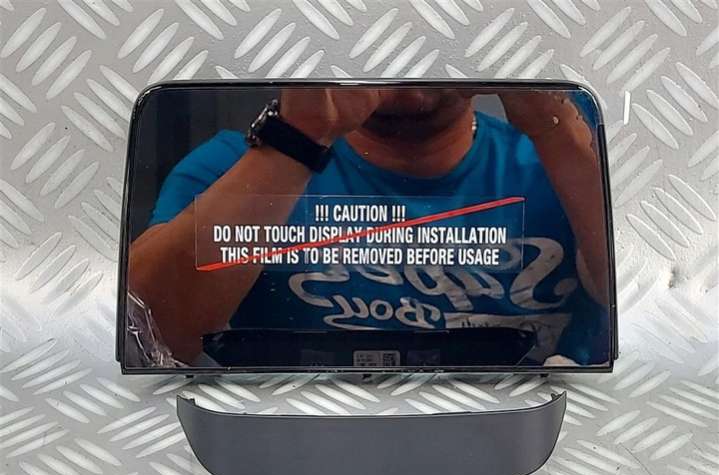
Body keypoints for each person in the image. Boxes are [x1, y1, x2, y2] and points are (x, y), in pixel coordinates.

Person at [128, 87, 609, 366]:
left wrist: (553, 126)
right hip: (292, 441)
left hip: (532, 440)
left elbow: (636, 292)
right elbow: (144, 336)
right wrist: (298, 137)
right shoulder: (234, 169)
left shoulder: (556, 166)